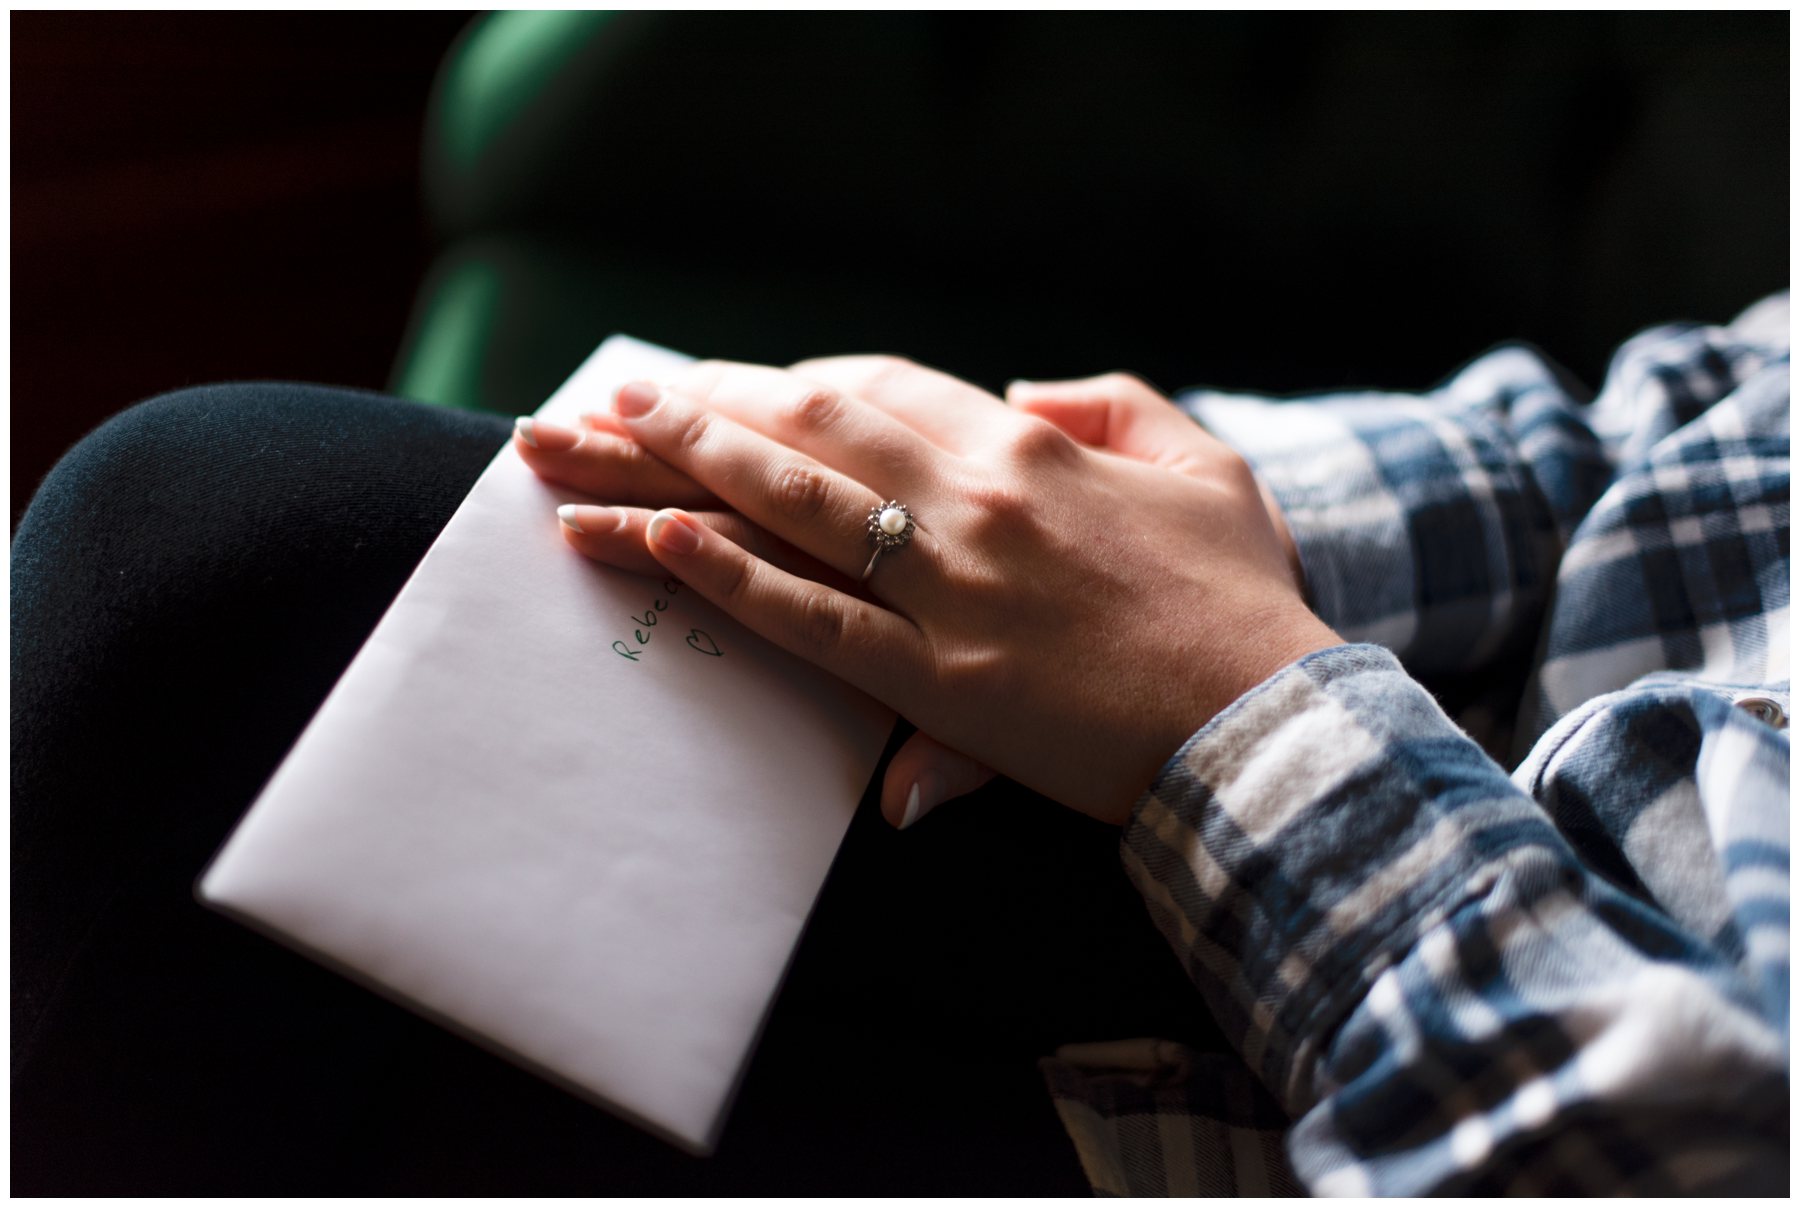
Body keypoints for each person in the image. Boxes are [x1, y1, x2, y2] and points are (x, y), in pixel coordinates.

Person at [13, 295, 1787, 1194]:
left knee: (189, 576)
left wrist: (1224, 694)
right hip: (1373, 732)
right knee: (205, 559)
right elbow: (1678, 446)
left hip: (1432, 1019)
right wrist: (1106, 532)